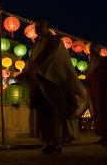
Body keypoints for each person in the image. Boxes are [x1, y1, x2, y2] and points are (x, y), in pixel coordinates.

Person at [18, 19, 87, 155]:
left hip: (51, 79)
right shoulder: (37, 43)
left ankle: (57, 143)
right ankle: (49, 141)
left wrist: (41, 70)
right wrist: (26, 72)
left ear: (46, 27)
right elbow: (32, 60)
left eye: (40, 26)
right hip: (39, 81)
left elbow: (55, 58)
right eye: (36, 27)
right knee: (43, 112)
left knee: (54, 112)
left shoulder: (54, 40)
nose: (37, 29)